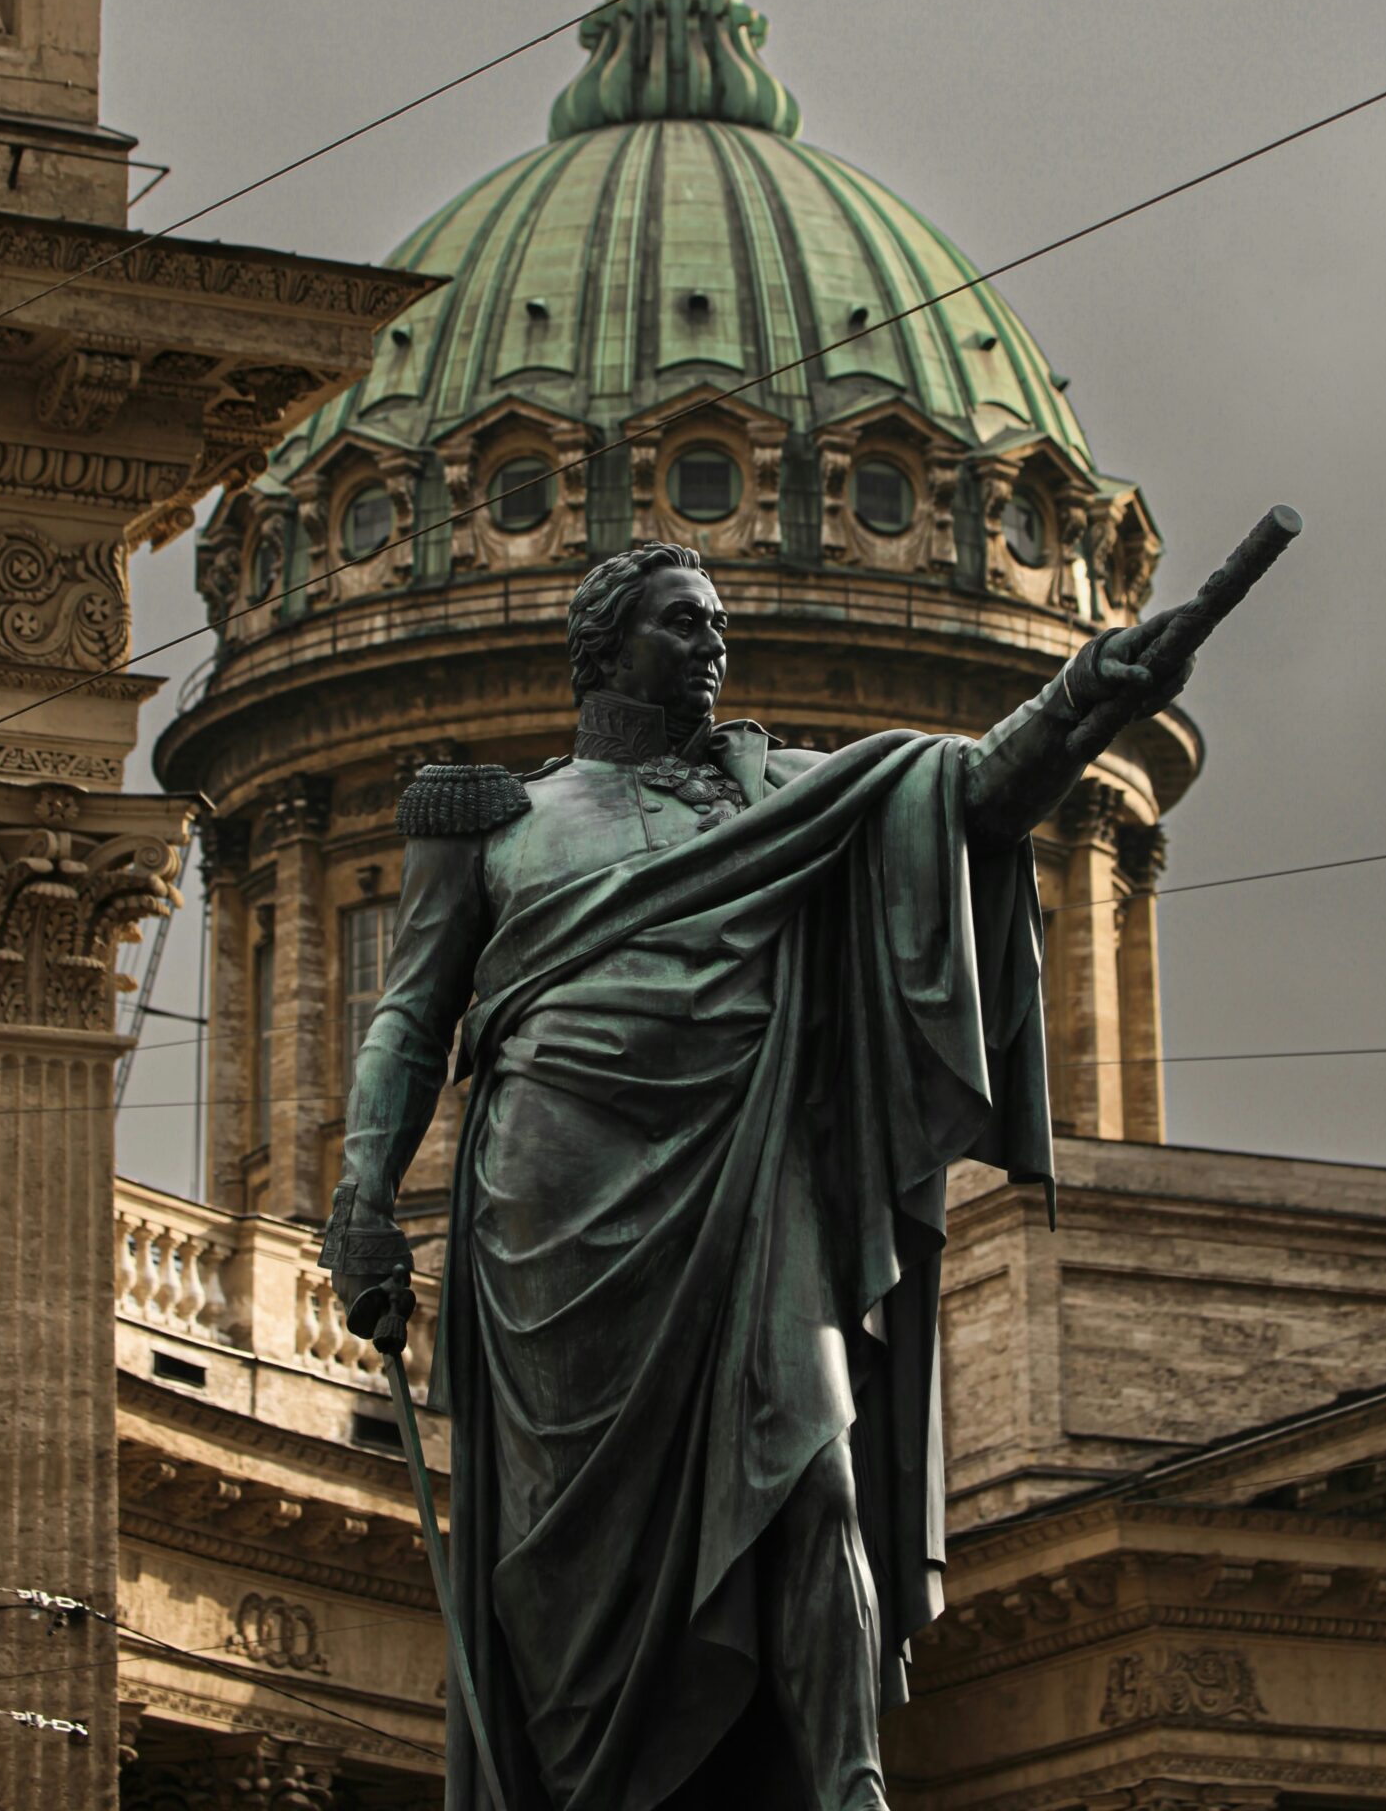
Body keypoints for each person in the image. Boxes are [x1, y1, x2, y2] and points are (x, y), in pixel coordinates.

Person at [322, 542, 1195, 1811]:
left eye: (721, 623)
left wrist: (1087, 698)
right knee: (567, 1556)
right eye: (684, 623)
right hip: (553, 1201)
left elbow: (969, 799)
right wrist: (361, 1198)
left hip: (750, 1163)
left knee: (809, 1466)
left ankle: (847, 1784)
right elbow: (407, 1019)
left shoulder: (779, 793)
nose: (714, 644)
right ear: (606, 646)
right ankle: (587, 1768)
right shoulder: (497, 820)